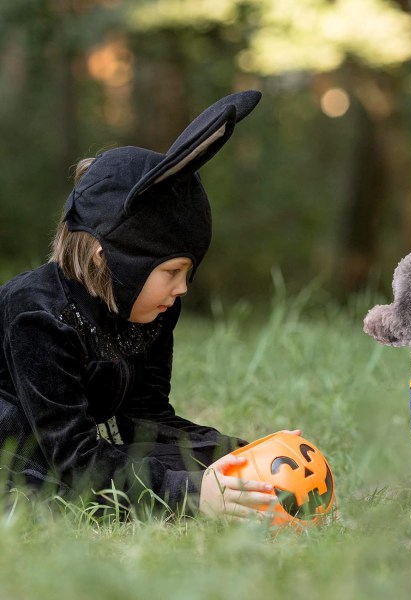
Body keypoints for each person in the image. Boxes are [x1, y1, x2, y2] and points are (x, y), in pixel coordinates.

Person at [0, 90, 287, 519]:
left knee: (175, 467)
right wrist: (189, 494)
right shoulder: (37, 316)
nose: (182, 289)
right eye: (170, 272)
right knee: (52, 495)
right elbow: (74, 460)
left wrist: (243, 458)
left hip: (66, 446)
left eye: (186, 273)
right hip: (20, 444)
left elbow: (145, 421)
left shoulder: (149, 308)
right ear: (110, 259)